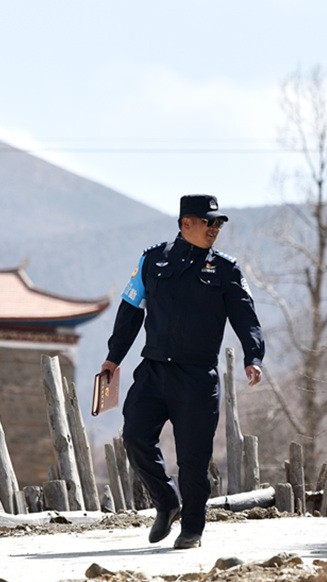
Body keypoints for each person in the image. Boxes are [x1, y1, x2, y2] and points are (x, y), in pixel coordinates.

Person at [100, 194, 265, 549]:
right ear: (186, 223)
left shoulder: (226, 270)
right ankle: (166, 500)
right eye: (209, 222)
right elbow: (130, 311)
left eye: (219, 223)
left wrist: (254, 356)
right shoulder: (152, 260)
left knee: (193, 458)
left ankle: (192, 528)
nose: (215, 228)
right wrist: (114, 357)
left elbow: (246, 317)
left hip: (197, 378)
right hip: (153, 371)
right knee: (135, 435)